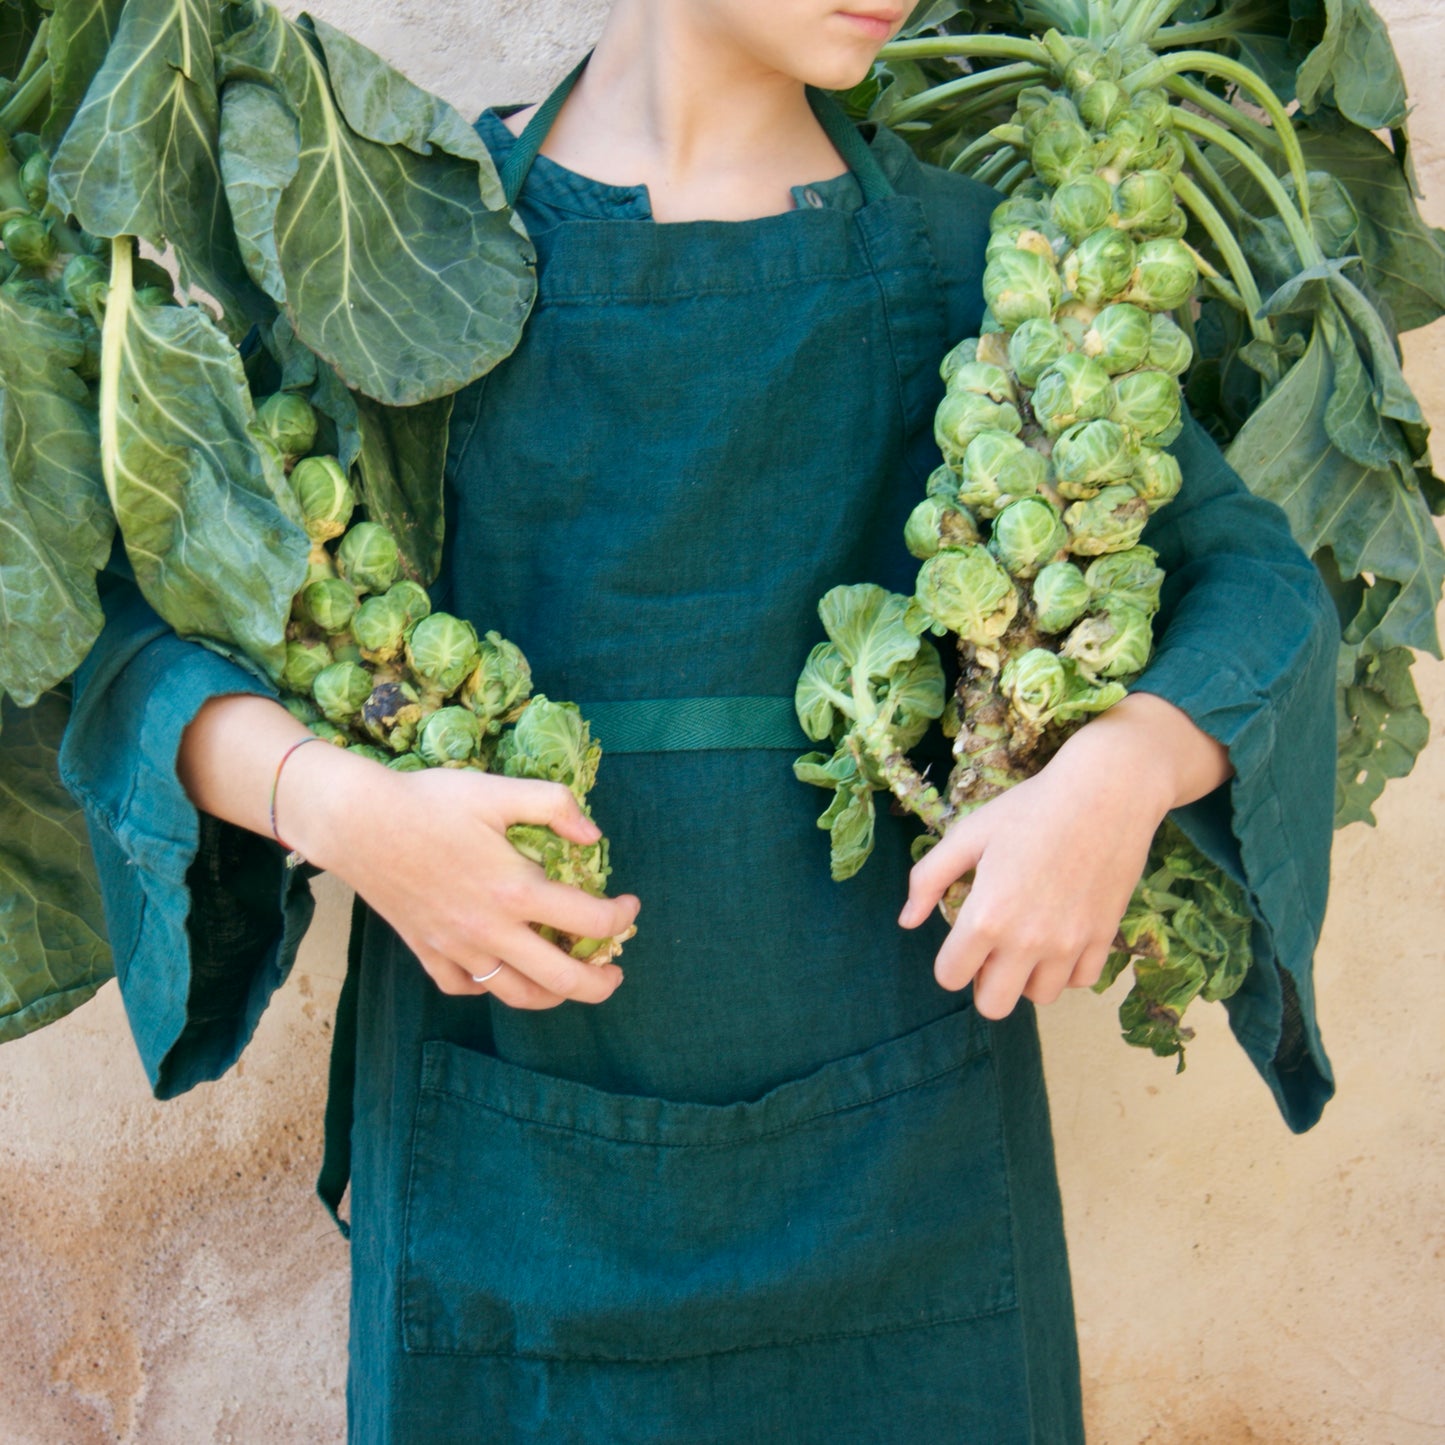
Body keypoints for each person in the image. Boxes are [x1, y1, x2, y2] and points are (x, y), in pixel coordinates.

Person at [57, 1, 1338, 1440]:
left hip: (906, 1211)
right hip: (511, 1203)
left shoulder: (985, 268)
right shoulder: (411, 254)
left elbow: (1260, 593)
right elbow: (133, 646)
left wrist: (1119, 767)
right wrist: (334, 804)